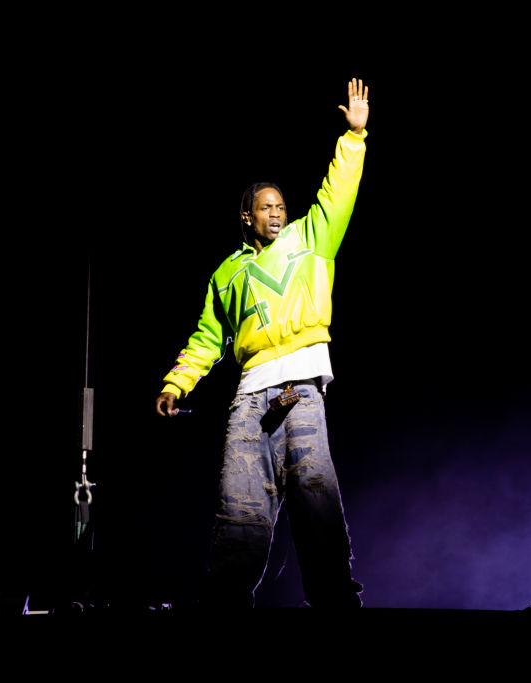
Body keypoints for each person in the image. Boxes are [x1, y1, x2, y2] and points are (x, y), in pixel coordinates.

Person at [155, 78, 369, 608]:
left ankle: (335, 598)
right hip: (250, 397)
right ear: (247, 216)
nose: (277, 212)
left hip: (301, 388)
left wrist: (354, 137)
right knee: (241, 502)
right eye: (266, 208)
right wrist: (177, 383)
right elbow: (208, 337)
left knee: (315, 494)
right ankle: (227, 601)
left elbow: (337, 191)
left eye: (281, 206)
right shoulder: (227, 273)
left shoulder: (310, 240)